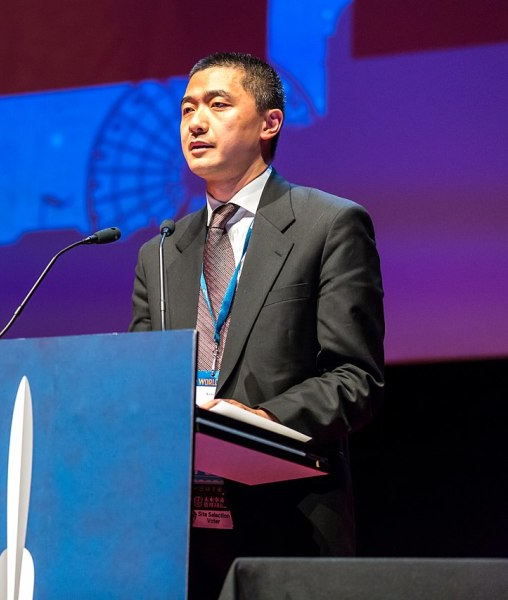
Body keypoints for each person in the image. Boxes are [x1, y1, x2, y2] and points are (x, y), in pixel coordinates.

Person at [130, 52, 384, 597]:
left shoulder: (328, 225)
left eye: (218, 104)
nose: (196, 122)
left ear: (270, 122)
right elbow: (140, 385)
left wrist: (253, 422)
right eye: (187, 109)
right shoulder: (161, 252)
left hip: (285, 520)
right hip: (174, 533)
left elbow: (354, 380)